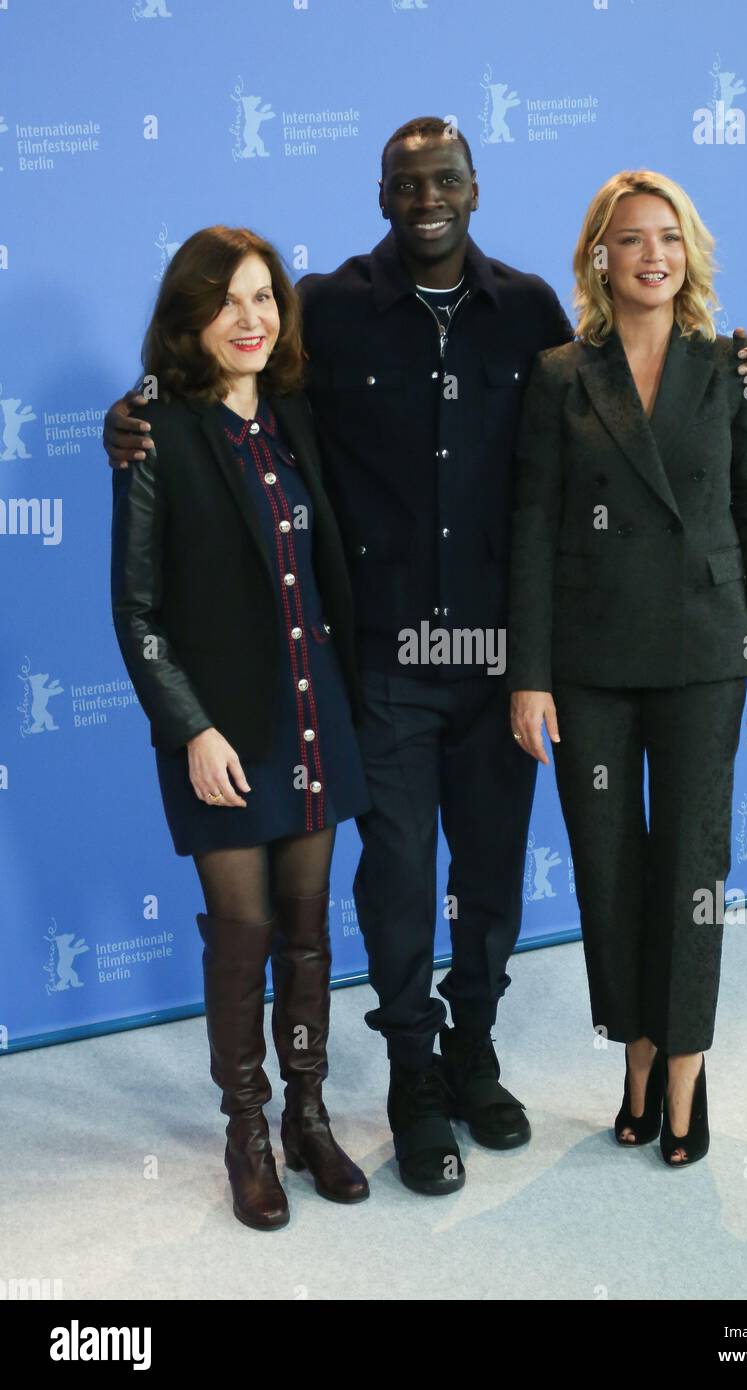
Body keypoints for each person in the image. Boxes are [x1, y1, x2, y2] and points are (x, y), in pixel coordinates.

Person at [103, 119, 747, 1196]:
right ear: (382, 195)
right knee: (401, 884)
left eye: (447, 179)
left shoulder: (528, 313)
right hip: (377, 663)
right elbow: (233, 406)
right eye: (407, 182)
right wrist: (134, 416)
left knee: (493, 880)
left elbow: (609, 410)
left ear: (477, 189)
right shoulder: (320, 310)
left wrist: (745, 365)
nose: (428, 196)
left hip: (503, 659)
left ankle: (474, 1053)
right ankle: (414, 1076)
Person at [507, 170, 747, 1167]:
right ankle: (633, 1051)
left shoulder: (731, 367)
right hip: (589, 664)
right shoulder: (559, 375)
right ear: (600, 255)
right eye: (630, 239)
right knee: (608, 868)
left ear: (690, 252)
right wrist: (528, 676)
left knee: (691, 871)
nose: (652, 255)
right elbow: (535, 531)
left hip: (705, 654)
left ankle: (684, 1069)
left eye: (667, 238)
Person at [110, 226, 370, 1229]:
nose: (251, 319)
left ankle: (310, 1113)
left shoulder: (297, 416)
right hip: (221, 735)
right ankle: (248, 1129)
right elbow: (136, 613)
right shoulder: (152, 431)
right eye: (227, 302)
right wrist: (192, 730)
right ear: (190, 318)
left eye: (264, 297)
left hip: (314, 717)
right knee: (245, 934)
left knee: (307, 936)